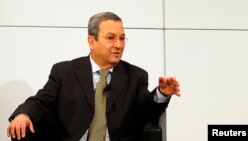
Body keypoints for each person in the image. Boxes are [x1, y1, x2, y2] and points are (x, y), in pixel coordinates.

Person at [7, 11, 181, 141]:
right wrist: (24, 115)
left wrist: (162, 93)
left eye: (122, 38)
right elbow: (41, 102)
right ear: (92, 41)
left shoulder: (135, 76)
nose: (118, 45)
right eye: (111, 38)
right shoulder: (65, 72)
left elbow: (146, 111)